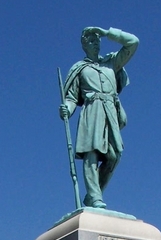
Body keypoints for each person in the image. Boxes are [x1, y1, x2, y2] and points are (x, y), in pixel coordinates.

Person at [59, 26, 139, 209]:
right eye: (92, 41)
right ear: (84, 45)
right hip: (92, 109)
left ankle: (93, 195)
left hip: (110, 110)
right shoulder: (80, 69)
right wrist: (68, 109)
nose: (96, 44)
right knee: (91, 152)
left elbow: (133, 43)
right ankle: (95, 197)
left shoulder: (111, 63)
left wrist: (107, 32)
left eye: (98, 41)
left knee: (115, 154)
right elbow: (72, 97)